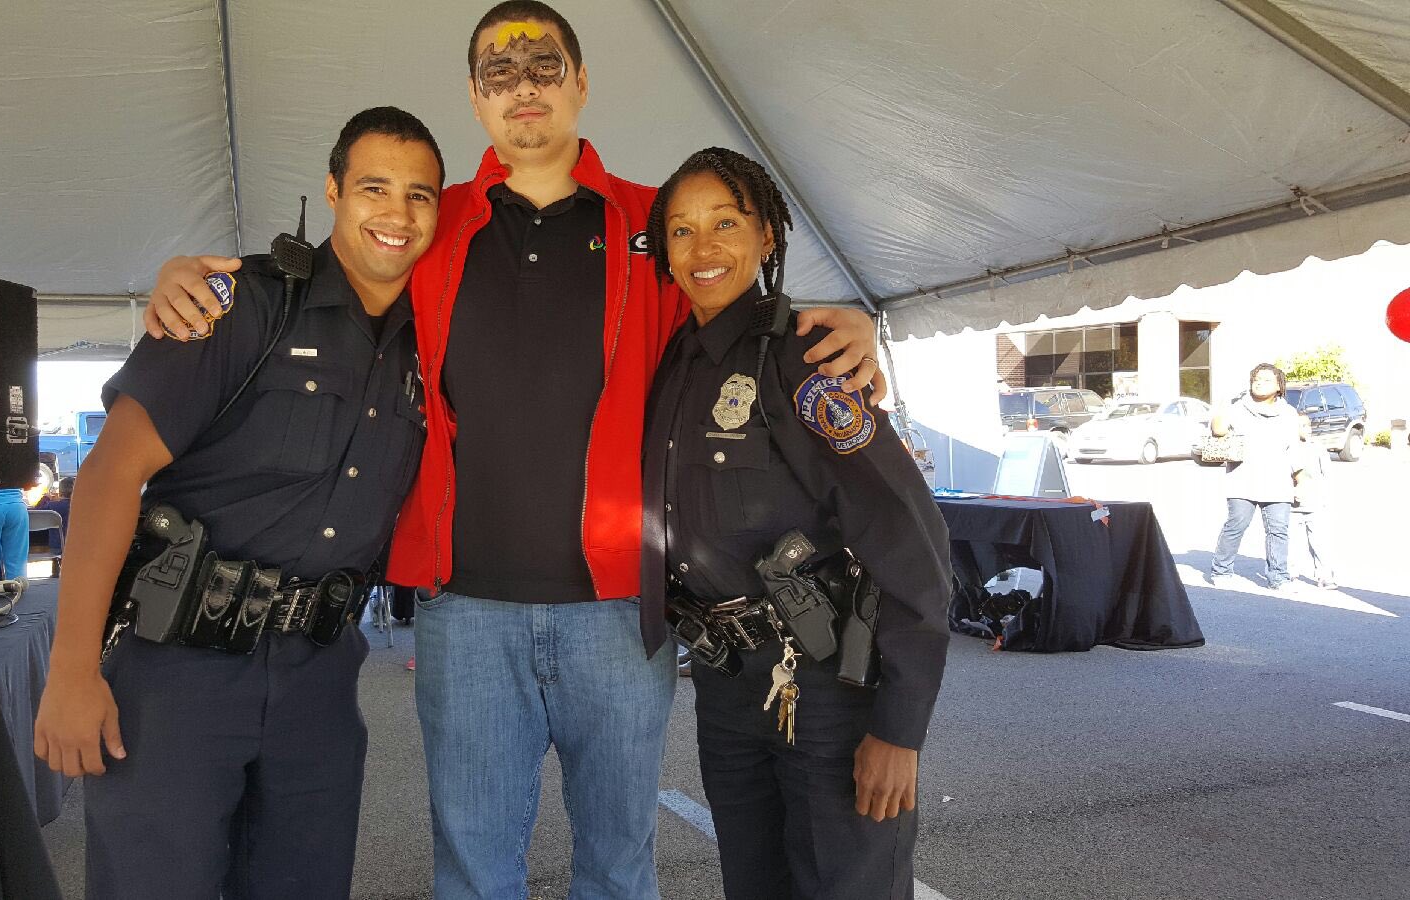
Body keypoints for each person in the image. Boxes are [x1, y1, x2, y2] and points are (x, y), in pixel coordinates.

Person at [142, 5, 882, 896]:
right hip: (466, 615)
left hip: (621, 612)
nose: (523, 88)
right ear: (475, 96)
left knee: (618, 869)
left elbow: (731, 302)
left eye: (544, 68)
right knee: (473, 873)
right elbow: (327, 276)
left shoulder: (653, 223)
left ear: (581, 83)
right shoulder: (429, 221)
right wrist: (189, 273)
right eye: (501, 73)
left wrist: (839, 323)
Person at [33, 107, 442, 898]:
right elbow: (111, 473)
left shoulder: (429, 342)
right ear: (333, 191)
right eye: (374, 187)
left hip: (320, 678)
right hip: (180, 671)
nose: (397, 213)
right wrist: (72, 671)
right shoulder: (243, 303)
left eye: (418, 195)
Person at [643, 147, 950, 899]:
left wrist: (900, 727)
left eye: (725, 223)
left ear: (767, 237)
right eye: (682, 230)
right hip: (725, 684)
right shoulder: (672, 362)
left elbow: (908, 537)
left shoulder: (807, 358)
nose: (704, 248)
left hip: (825, 688)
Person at [1208, 363, 1303, 590]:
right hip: (1243, 479)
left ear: (1279, 386)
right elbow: (1218, 430)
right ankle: (1221, 571)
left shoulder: (1289, 413)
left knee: (1278, 532)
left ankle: (1278, 577)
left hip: (1278, 482)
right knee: (1236, 526)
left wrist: (1300, 481)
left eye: (1266, 380)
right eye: (1256, 379)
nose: (1259, 383)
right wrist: (1222, 407)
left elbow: (1295, 450)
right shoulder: (1237, 407)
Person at [1292, 419, 1336, 590]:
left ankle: (1325, 576)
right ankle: (1290, 572)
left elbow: (1327, 474)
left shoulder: (1317, 448)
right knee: (1292, 541)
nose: (1308, 429)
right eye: (1303, 426)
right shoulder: (1287, 447)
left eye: (1309, 425)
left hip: (1314, 502)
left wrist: (1324, 497)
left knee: (1319, 541)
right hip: (1292, 504)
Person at [33, 476, 75, 553]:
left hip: (57, 546)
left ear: (60, 492)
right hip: (77, 546)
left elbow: (35, 514)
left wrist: (46, 498)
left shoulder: (52, 506)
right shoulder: (81, 506)